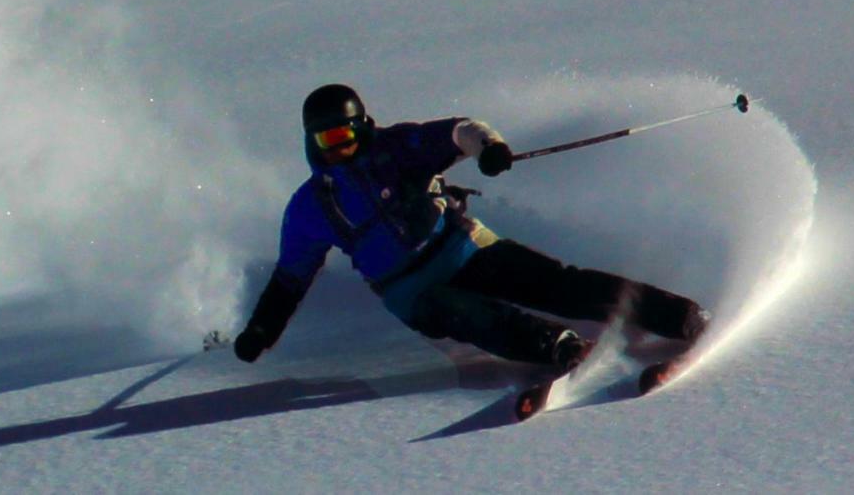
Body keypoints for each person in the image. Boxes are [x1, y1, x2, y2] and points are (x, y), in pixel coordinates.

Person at [233, 84, 710, 372]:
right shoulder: (310, 206)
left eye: (342, 137)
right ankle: (557, 346)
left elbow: (461, 131)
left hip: (460, 245)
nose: (334, 149)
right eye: (324, 140)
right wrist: (260, 332)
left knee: (559, 284)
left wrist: (490, 147)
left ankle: (676, 315)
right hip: (408, 290)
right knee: (466, 313)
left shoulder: (397, 148)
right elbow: (288, 281)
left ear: (361, 129)